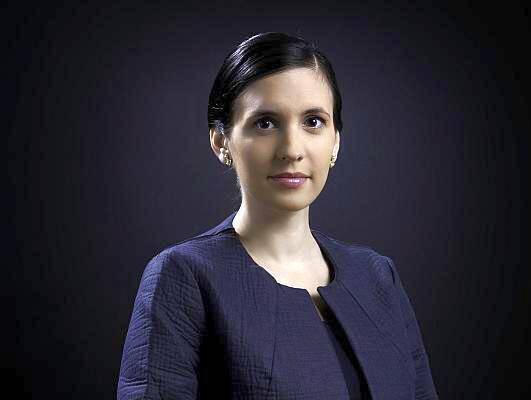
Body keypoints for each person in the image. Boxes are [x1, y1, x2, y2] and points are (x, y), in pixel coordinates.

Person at [116, 31, 439, 399]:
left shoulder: (378, 277)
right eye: (265, 123)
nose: (292, 149)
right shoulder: (185, 276)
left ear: (335, 140)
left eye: (313, 121)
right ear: (222, 141)